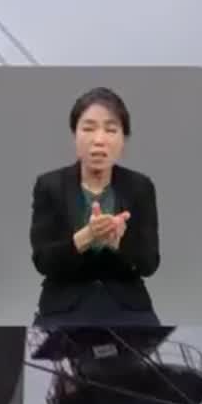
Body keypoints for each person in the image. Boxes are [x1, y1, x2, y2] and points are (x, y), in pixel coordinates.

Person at [30, 86, 161, 328]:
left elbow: (149, 263)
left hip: (129, 309)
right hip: (63, 309)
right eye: (88, 129)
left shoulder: (140, 187)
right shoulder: (49, 185)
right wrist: (86, 237)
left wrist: (118, 243)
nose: (98, 140)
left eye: (111, 130)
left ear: (123, 140)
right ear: (75, 136)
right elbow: (42, 261)